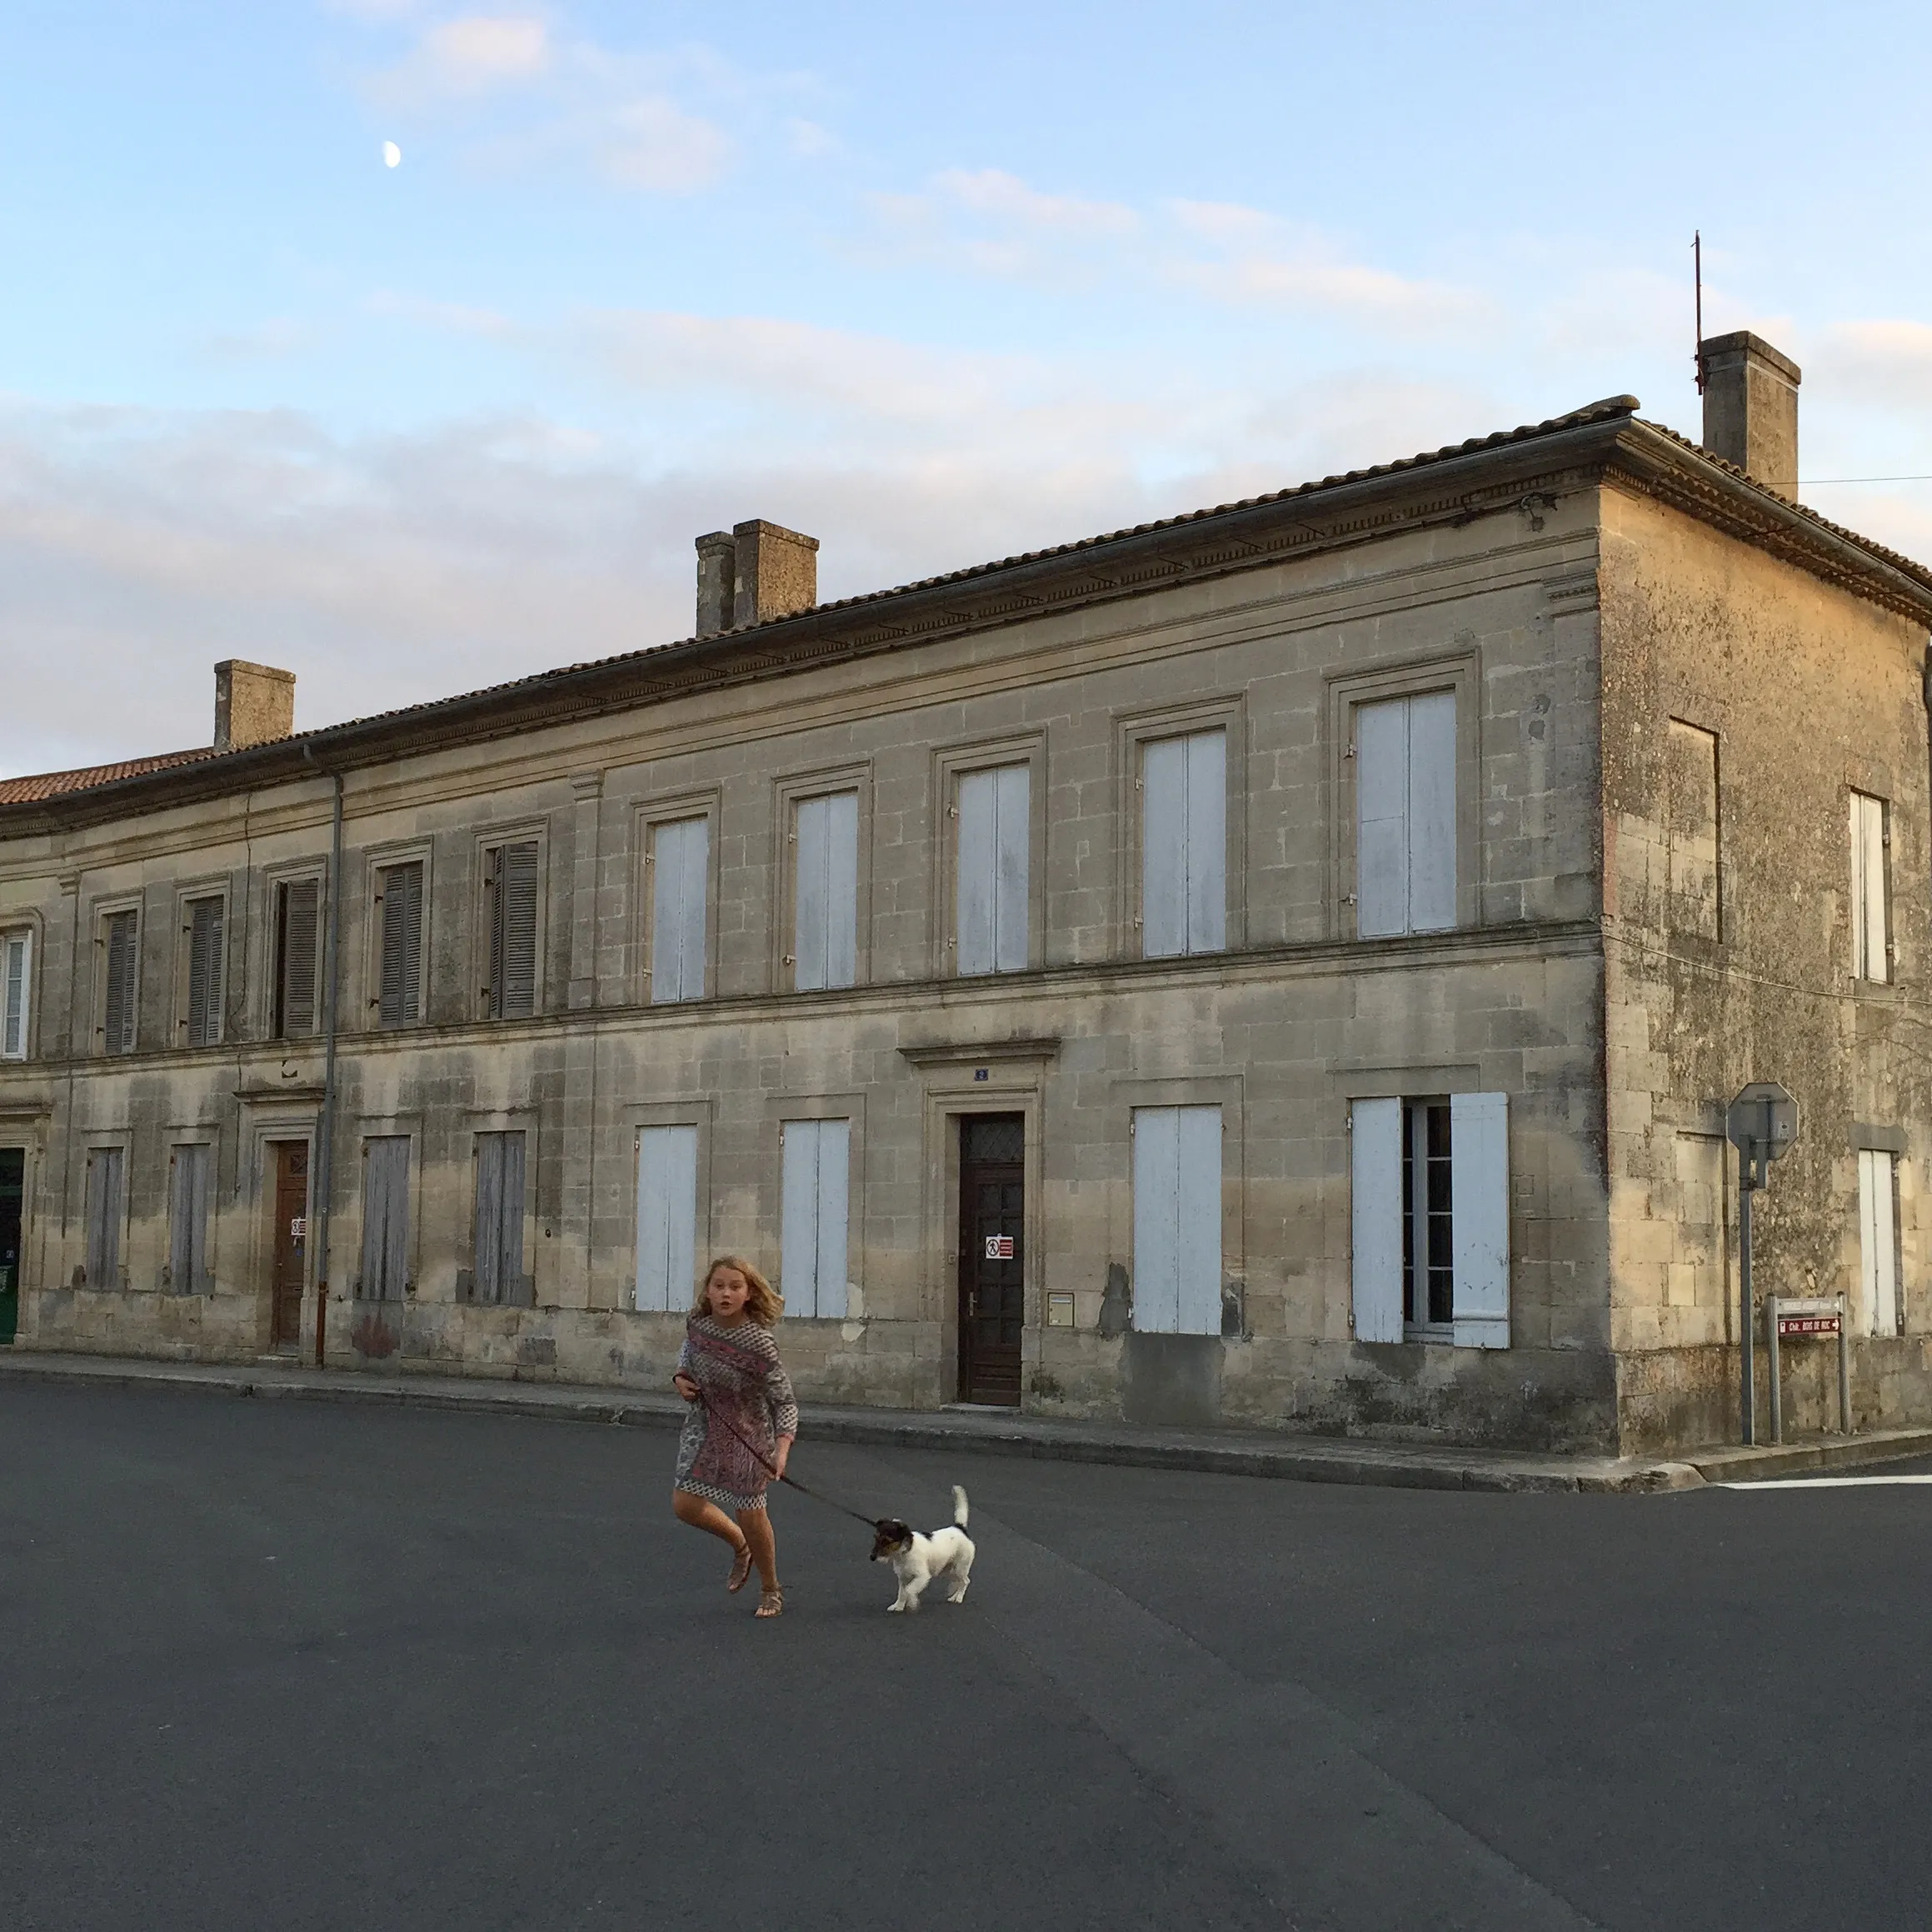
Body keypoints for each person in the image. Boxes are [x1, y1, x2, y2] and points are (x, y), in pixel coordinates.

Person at [671, 1256, 798, 1619]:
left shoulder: (759, 1343)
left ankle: (771, 1587)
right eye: (719, 1286)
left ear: (748, 1294)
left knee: (751, 1512)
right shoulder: (697, 1323)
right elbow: (686, 1355)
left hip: (748, 1433)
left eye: (735, 1287)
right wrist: (680, 1378)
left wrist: (782, 1448)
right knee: (685, 1505)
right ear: (708, 1291)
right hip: (704, 1426)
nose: (726, 1293)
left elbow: (785, 1400)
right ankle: (740, 1545)